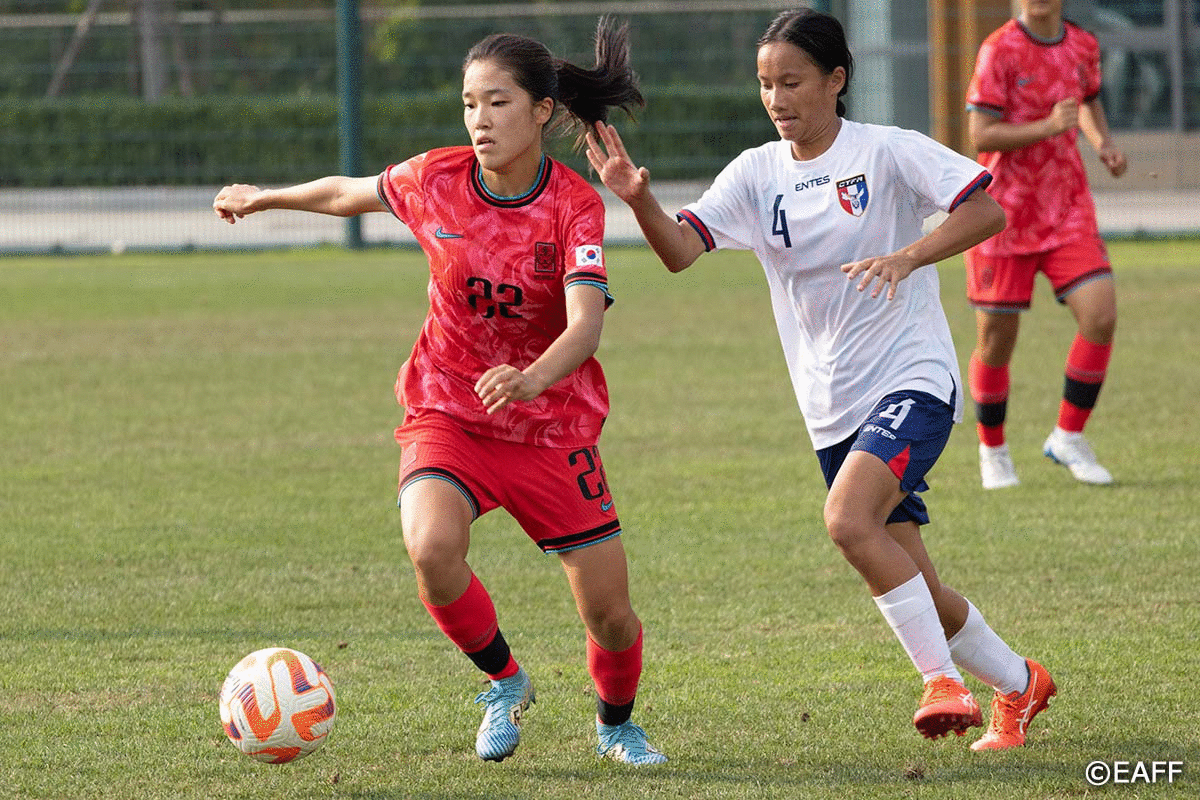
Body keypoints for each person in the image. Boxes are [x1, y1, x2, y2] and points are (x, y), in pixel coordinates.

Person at [587, 8, 1055, 751]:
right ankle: (1022, 684)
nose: (777, 97)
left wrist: (909, 256)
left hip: (912, 380)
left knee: (847, 521)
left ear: (837, 80)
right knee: (918, 584)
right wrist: (635, 195)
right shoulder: (755, 173)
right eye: (766, 83)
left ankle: (940, 681)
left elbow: (986, 210)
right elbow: (680, 251)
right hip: (830, 406)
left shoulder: (888, 151)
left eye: (792, 81)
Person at [213, 18, 667, 766]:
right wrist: (265, 199)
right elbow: (345, 193)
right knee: (430, 547)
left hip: (549, 427)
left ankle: (616, 725)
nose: (479, 121)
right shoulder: (435, 179)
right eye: (468, 104)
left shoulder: (573, 207)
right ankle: (505, 683)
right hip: (447, 409)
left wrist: (530, 379)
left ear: (541, 110)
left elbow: (585, 325)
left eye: (497, 103)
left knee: (611, 616)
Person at [965, 0, 1127, 490]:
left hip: (1067, 207)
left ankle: (1069, 436)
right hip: (1001, 216)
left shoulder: (1084, 44)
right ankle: (992, 449)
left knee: (1100, 314)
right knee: (996, 341)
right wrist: (1049, 127)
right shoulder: (999, 49)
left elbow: (1088, 100)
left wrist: (1101, 142)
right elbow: (980, 134)